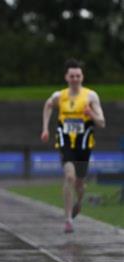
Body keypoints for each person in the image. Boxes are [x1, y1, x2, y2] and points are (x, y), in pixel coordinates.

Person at [41, 58, 105, 233]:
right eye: (72, 76)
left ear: (82, 77)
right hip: (66, 140)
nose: (75, 78)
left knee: (80, 183)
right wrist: (45, 128)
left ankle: (79, 201)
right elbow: (47, 106)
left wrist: (90, 113)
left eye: (78, 75)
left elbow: (102, 122)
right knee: (69, 176)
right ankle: (68, 219)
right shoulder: (59, 96)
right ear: (66, 77)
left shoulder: (91, 96)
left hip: (84, 143)